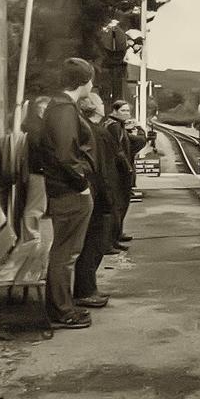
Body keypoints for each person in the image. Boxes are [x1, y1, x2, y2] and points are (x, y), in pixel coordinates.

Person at [39, 58, 96, 329]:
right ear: (83, 82)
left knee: (65, 252)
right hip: (70, 192)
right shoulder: (63, 110)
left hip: (65, 190)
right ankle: (62, 310)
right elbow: (66, 154)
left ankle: (61, 306)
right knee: (66, 253)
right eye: (90, 80)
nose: (92, 84)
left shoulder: (60, 107)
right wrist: (82, 183)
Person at [73, 92, 119, 308]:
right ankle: (85, 290)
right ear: (92, 107)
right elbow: (103, 168)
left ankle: (88, 288)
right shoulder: (97, 133)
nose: (104, 105)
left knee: (93, 242)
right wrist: (108, 195)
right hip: (99, 192)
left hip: (96, 191)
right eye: (100, 102)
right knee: (94, 243)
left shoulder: (93, 131)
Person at [104, 100, 145, 247]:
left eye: (128, 111)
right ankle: (111, 241)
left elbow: (136, 143)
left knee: (121, 204)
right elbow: (119, 150)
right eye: (123, 111)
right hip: (117, 172)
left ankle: (115, 236)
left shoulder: (117, 126)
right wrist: (128, 168)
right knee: (118, 205)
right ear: (114, 111)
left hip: (119, 170)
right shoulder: (114, 127)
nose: (127, 114)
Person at [20, 95, 50, 242]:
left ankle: (32, 234)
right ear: (41, 109)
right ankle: (31, 235)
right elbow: (40, 150)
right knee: (36, 206)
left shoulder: (34, 126)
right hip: (38, 170)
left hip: (37, 169)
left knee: (37, 205)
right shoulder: (37, 128)